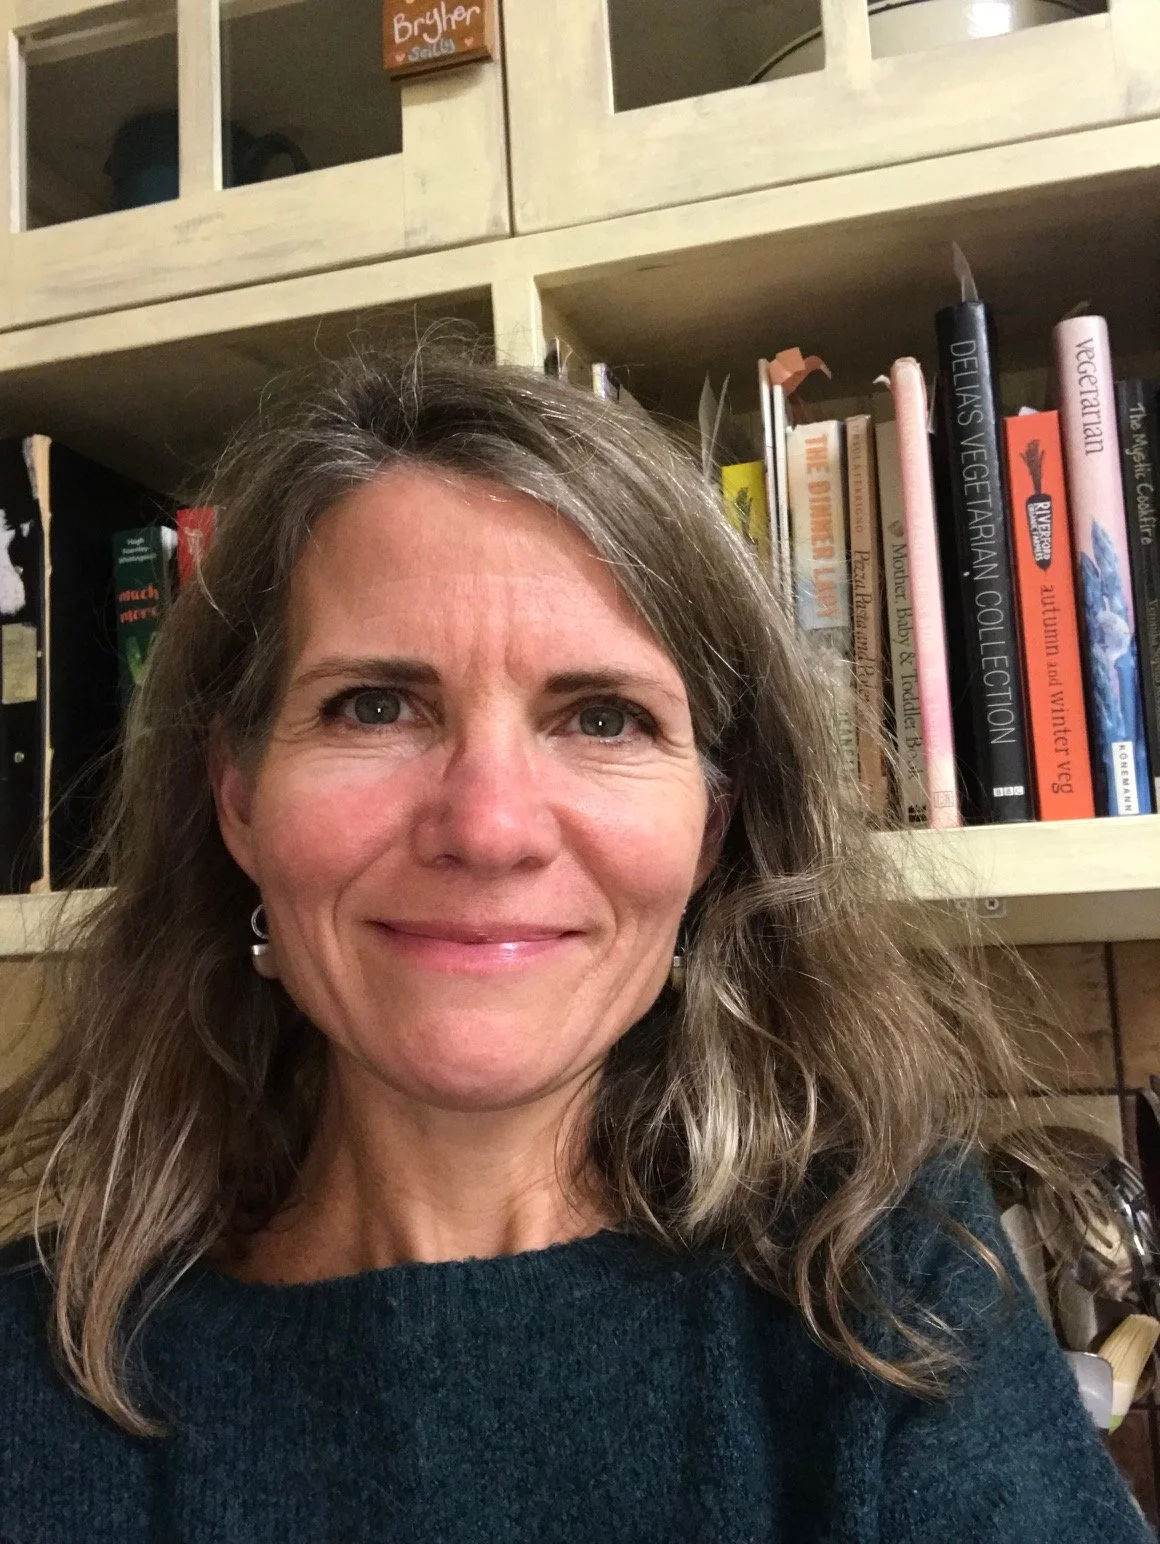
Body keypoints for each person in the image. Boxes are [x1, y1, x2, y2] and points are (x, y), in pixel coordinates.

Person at [0, 347, 1148, 1543]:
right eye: (374, 705)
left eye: (603, 717)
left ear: (711, 825)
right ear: (238, 799)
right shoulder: (34, 1368)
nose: (489, 827)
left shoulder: (885, 1286)